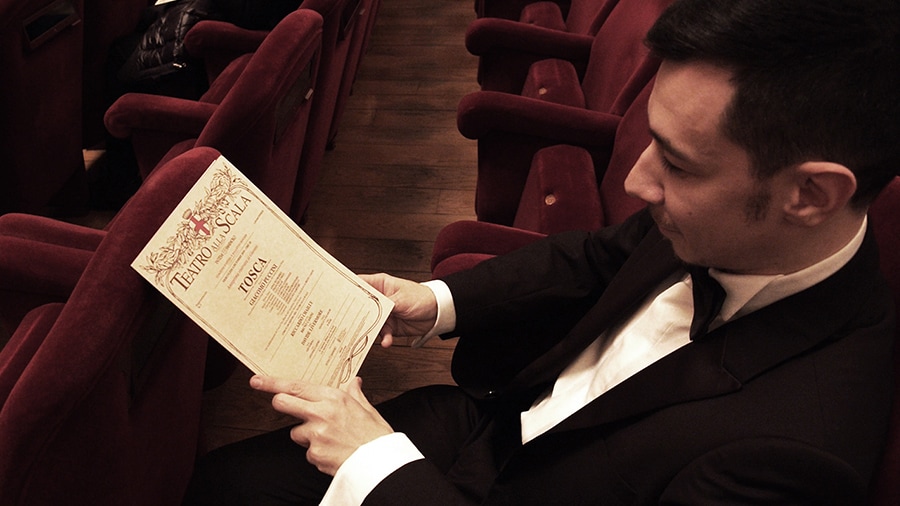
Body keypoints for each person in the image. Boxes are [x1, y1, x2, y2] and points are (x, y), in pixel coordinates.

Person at [183, 0, 900, 503]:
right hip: (497, 423)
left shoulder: (795, 452)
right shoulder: (730, 223)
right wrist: (431, 303)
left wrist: (376, 465)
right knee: (222, 484)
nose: (634, 178)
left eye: (677, 165)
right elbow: (595, 259)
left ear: (809, 196)